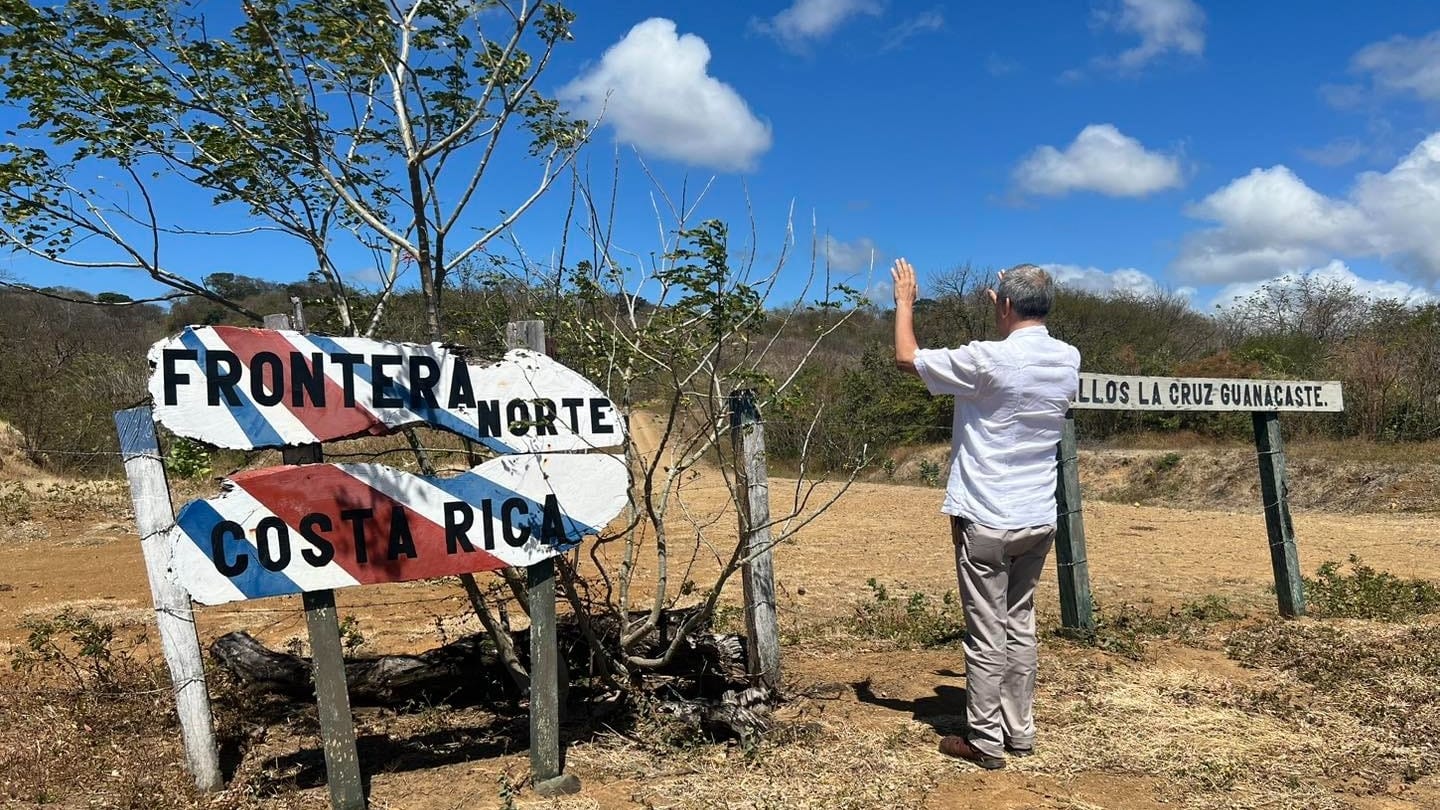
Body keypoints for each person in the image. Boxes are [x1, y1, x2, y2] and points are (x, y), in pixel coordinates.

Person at [890, 258, 1080, 770]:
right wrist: (1006, 291)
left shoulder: (988, 360)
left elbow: (908, 359)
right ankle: (1020, 731)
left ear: (1006, 305)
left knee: (986, 628)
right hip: (1037, 516)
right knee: (1020, 623)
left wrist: (905, 301)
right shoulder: (1068, 359)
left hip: (986, 518)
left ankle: (984, 740)